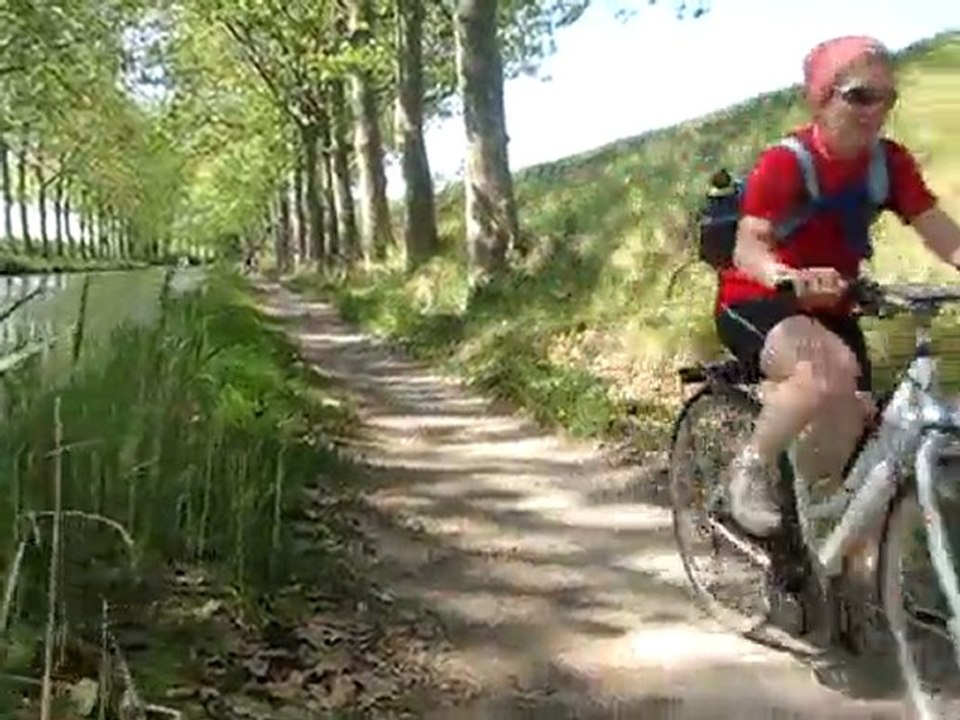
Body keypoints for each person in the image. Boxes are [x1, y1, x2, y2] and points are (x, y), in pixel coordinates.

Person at [714, 35, 960, 539]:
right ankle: (747, 470)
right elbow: (748, 246)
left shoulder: (888, 163)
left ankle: (815, 536)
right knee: (825, 376)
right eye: (860, 95)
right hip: (758, 300)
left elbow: (937, 228)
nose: (876, 110)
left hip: (835, 305)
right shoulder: (785, 162)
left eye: (887, 98)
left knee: (862, 448)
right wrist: (785, 277)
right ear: (823, 98)